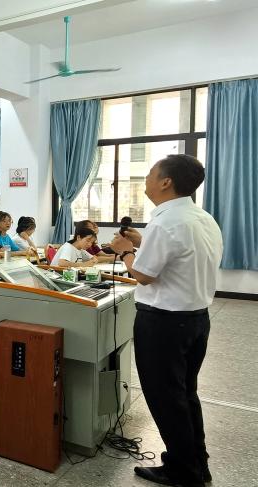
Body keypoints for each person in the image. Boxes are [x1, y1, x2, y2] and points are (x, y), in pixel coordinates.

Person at [108, 154, 221, 487]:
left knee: (165, 398)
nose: (146, 179)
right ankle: (196, 463)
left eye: (150, 174)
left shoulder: (164, 222)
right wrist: (142, 243)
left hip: (164, 324)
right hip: (196, 320)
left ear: (166, 182)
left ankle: (183, 471)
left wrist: (125, 250)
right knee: (185, 393)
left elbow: (144, 274)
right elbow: (180, 256)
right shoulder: (202, 218)